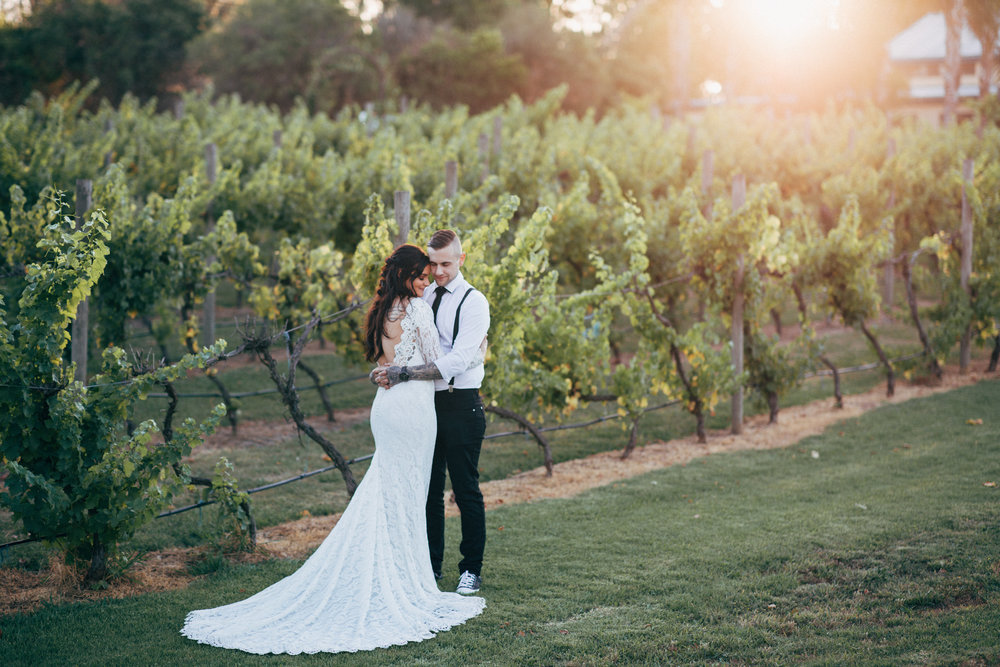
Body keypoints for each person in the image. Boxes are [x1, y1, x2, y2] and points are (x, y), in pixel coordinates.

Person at [180, 244, 485, 655]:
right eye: (422, 273)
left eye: (432, 272)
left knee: (393, 490)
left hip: (387, 408)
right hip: (413, 409)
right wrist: (471, 355)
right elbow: (435, 361)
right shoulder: (417, 309)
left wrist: (398, 370)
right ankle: (406, 578)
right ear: (407, 274)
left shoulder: (382, 310)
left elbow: (385, 361)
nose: (427, 279)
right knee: (410, 494)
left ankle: (405, 571)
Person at [373, 229, 490, 597]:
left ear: (461, 259)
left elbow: (457, 359)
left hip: (459, 401)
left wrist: (403, 372)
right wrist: (390, 369)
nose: (437, 272)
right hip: (422, 404)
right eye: (432, 264)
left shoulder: (474, 302)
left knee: (465, 489)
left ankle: (471, 569)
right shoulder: (419, 297)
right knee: (429, 490)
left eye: (445, 264)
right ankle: (430, 566)